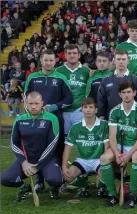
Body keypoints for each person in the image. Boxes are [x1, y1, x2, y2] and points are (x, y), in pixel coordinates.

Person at [24, 49, 73, 192]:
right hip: (36, 120)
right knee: (37, 148)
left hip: (56, 120)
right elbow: (26, 98)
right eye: (46, 60)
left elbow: (69, 99)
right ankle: (39, 181)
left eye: (51, 60)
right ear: (41, 60)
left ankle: (58, 180)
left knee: (57, 148)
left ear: (55, 61)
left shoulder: (61, 77)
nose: (48, 63)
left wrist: (53, 107)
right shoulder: (32, 78)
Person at [1, 92, 62, 200]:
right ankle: (24, 187)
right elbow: (14, 143)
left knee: (56, 179)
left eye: (36, 103)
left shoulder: (51, 118)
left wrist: (37, 166)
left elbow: (52, 144)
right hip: (27, 159)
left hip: (47, 160)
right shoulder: (19, 120)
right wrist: (24, 162)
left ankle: (53, 188)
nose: (33, 106)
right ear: (26, 104)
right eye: (30, 103)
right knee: (5, 179)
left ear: (42, 103)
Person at [99, 81, 137, 208]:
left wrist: (128, 155)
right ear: (120, 94)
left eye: (129, 92)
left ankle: (132, 195)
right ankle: (112, 195)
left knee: (136, 158)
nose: (126, 95)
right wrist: (117, 153)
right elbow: (112, 136)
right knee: (104, 158)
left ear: (134, 93)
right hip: (119, 146)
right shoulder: (114, 112)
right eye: (124, 92)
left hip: (136, 147)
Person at [62, 97, 109, 199]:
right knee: (67, 176)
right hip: (83, 160)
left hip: (99, 160)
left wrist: (105, 164)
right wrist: (64, 167)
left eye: (91, 107)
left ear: (96, 110)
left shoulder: (104, 125)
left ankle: (102, 187)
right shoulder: (75, 127)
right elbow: (67, 149)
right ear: (81, 109)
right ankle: (84, 186)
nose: (88, 110)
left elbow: (107, 147)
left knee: (106, 173)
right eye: (85, 107)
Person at [56, 44, 91, 144]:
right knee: (63, 143)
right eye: (69, 53)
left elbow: (90, 90)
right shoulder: (58, 71)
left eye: (74, 53)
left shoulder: (87, 71)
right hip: (63, 112)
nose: (72, 56)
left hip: (80, 112)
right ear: (65, 55)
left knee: (83, 143)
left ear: (79, 55)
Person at [97, 50, 137, 120]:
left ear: (128, 61)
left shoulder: (136, 81)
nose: (121, 62)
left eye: (123, 59)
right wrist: (101, 116)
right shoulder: (106, 81)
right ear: (114, 61)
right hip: (111, 120)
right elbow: (101, 101)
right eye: (118, 59)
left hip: (131, 121)